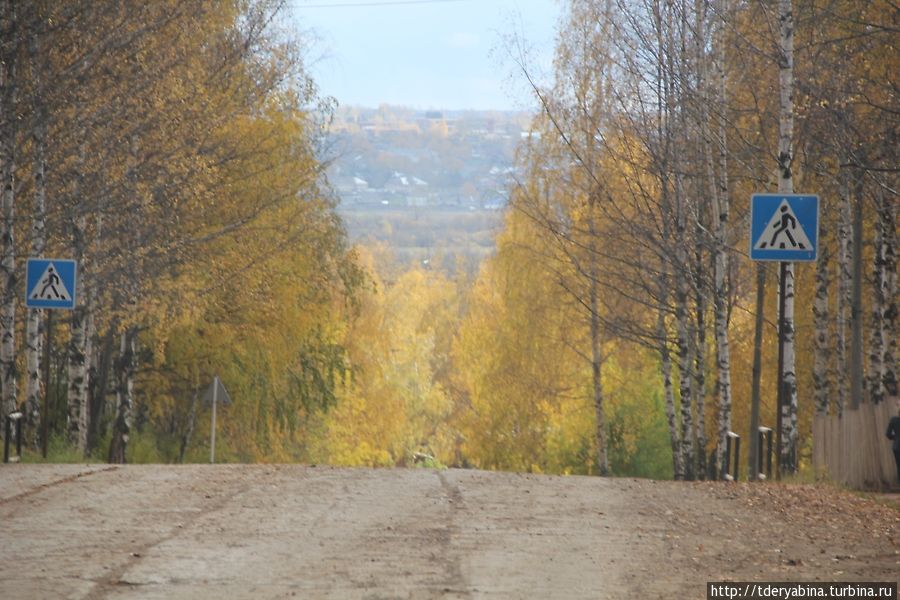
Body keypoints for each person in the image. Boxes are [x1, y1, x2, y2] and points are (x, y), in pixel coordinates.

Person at [886, 395, 900, 485]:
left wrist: (895, 437)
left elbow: (888, 434)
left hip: (897, 446)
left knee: (899, 466)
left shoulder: (894, 420)